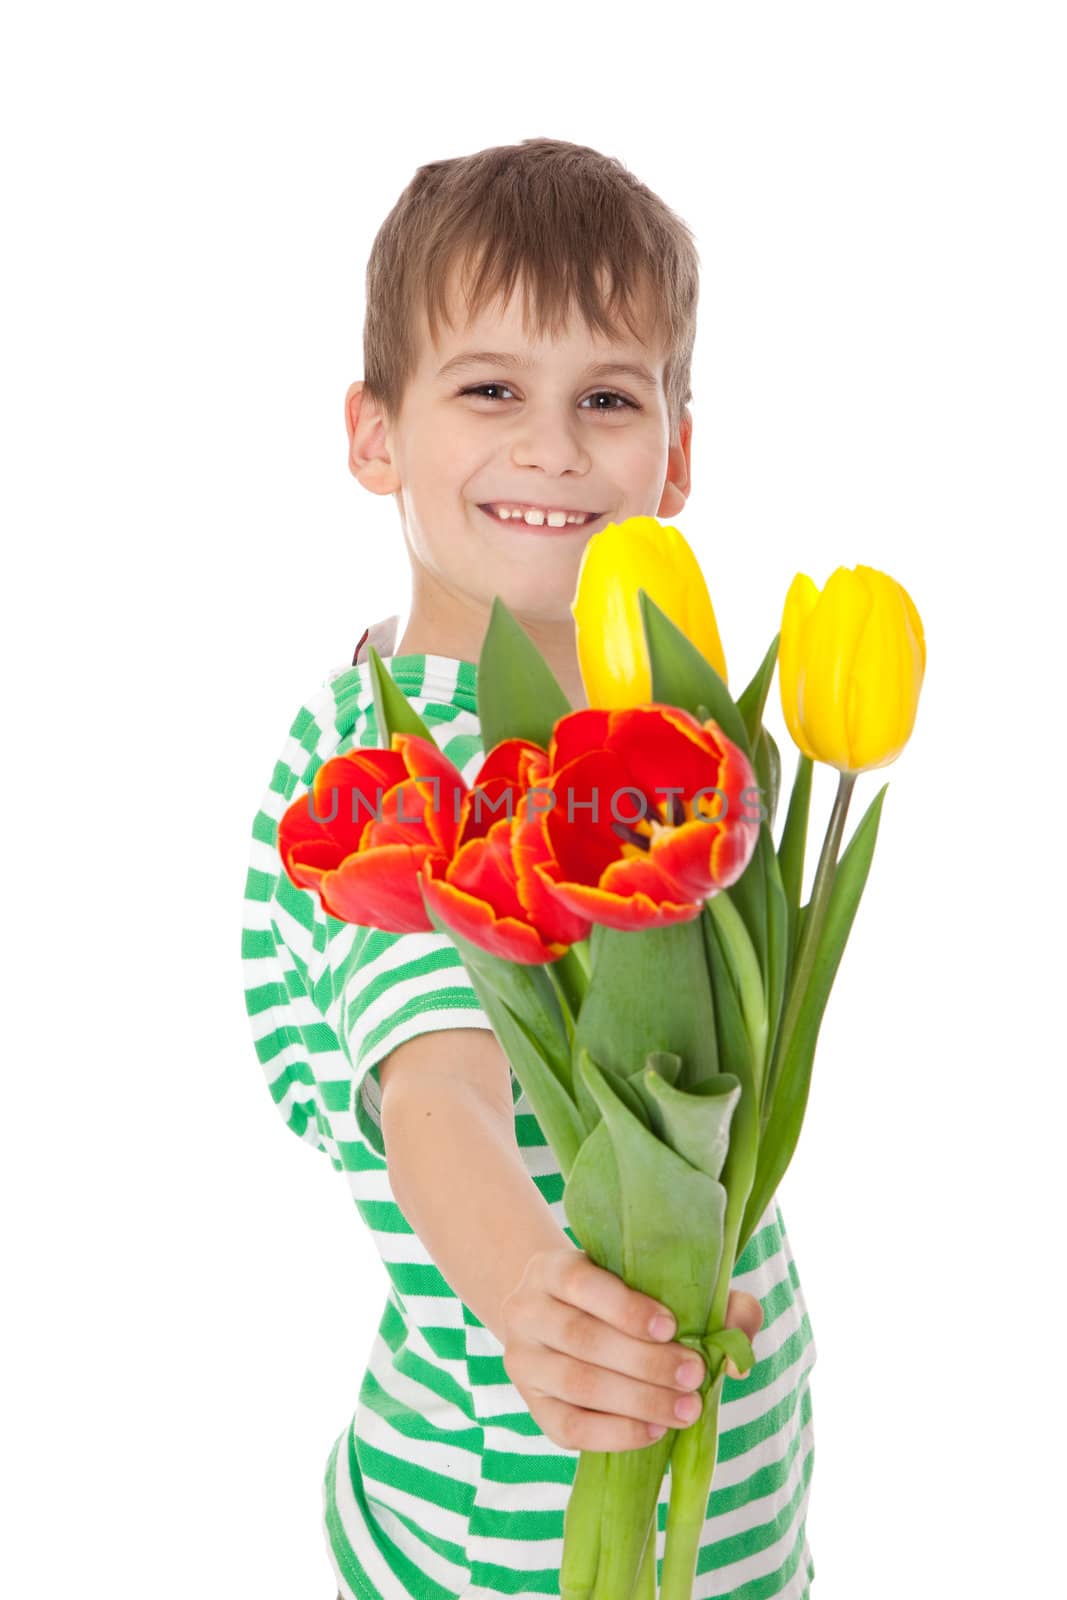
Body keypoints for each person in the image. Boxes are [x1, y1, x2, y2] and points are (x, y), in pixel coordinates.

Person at [241, 137, 817, 1600]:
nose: (553, 446)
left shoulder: (661, 752)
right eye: (490, 389)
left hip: (727, 1501)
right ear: (374, 435)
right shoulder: (395, 771)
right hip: (518, 1518)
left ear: (676, 456)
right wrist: (525, 1294)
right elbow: (438, 1075)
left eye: (608, 399)